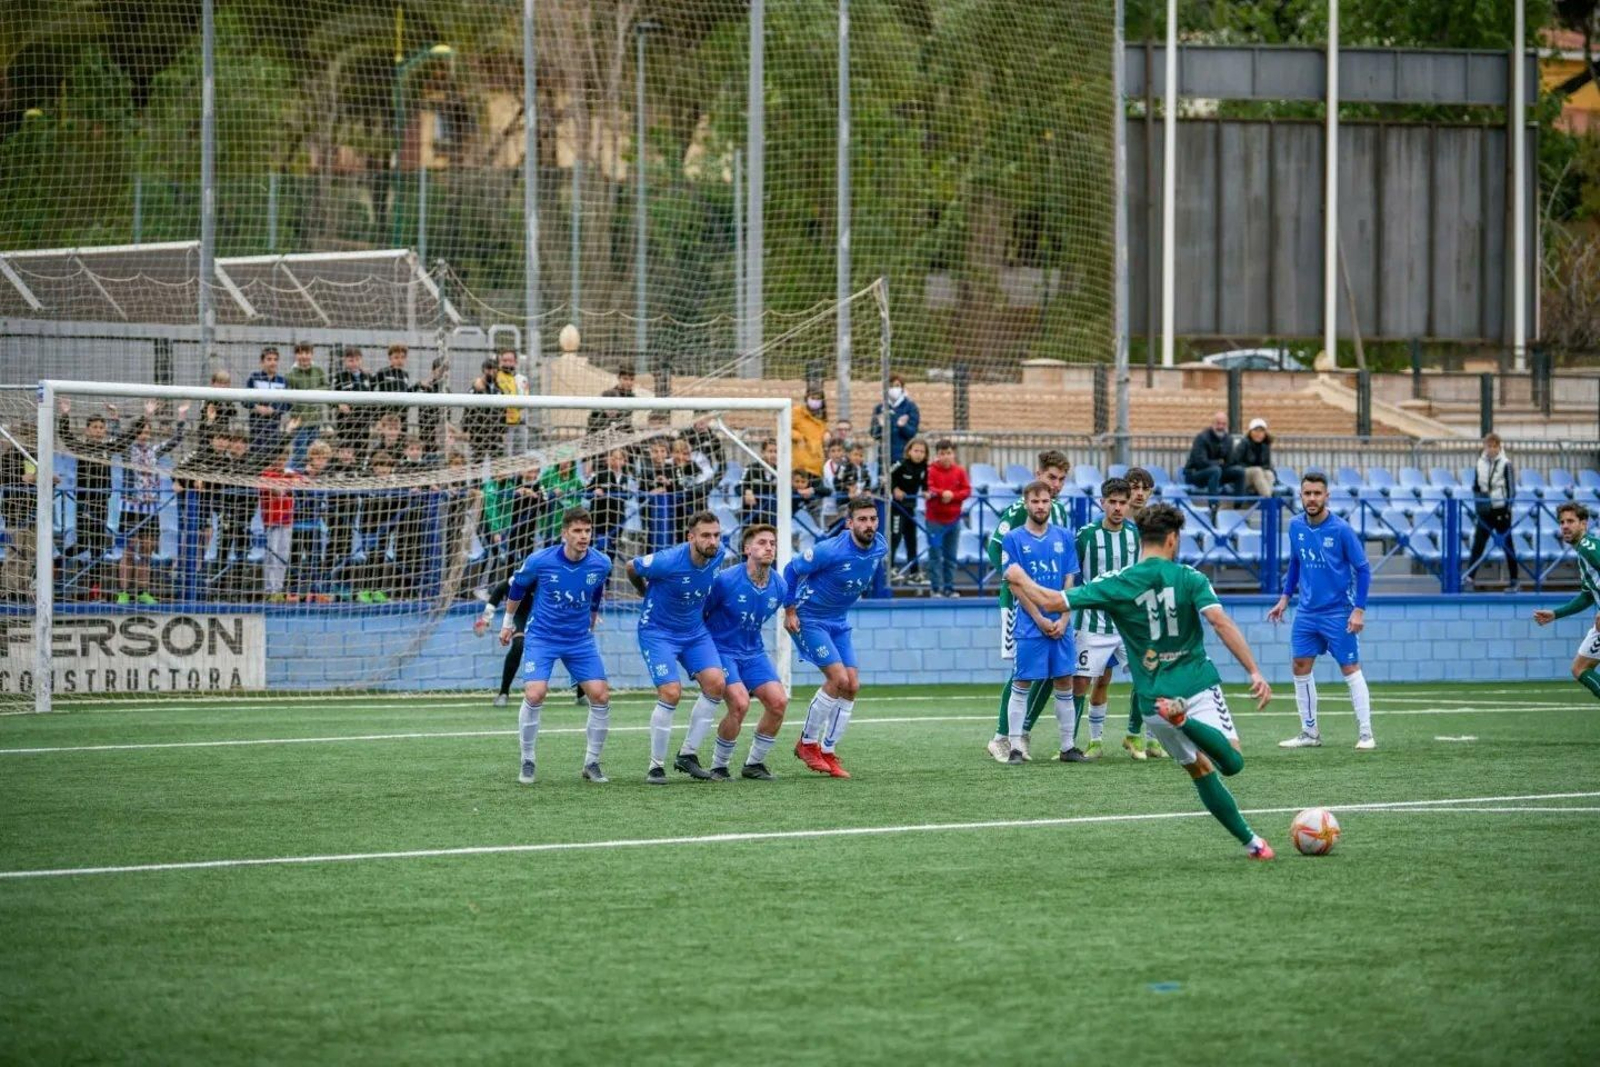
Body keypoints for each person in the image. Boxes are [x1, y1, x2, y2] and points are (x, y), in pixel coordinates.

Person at [1007, 503, 1277, 859]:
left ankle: (1253, 844)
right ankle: (1187, 721)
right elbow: (1220, 623)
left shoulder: (1118, 583)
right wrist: (1254, 671)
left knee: (1199, 769)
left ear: (1141, 540)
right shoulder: (1191, 578)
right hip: (1197, 687)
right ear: (1173, 539)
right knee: (1233, 762)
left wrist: (1020, 578)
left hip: (1155, 702)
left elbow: (1053, 601)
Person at [498, 507, 614, 784]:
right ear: (565, 534)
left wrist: (593, 615)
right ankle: (527, 760)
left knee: (600, 695)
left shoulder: (602, 563)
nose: (583, 536)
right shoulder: (541, 561)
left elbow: (597, 587)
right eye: (577, 531)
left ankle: (592, 763)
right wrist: (507, 622)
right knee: (536, 694)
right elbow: (517, 587)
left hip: (579, 639)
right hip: (542, 636)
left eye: (587, 531)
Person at [1267, 472, 1375, 751]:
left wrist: (1359, 610)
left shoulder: (1340, 530)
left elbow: (1363, 569)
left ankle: (1366, 734)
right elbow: (1295, 562)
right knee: (1300, 666)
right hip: (1306, 612)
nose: (1312, 498)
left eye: (1317, 493)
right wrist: (1284, 598)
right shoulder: (1295, 526)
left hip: (1339, 612)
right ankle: (1309, 732)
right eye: (1307, 493)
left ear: (1327, 496)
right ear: (1301, 496)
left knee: (1350, 668)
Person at [783, 495, 889, 779]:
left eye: (873, 519)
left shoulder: (880, 545)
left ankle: (828, 751)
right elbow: (791, 570)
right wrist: (789, 610)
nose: (869, 525)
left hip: (838, 622)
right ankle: (807, 744)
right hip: (810, 619)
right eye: (862, 520)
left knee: (852, 685)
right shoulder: (829, 550)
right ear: (849, 523)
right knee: (838, 680)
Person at [677, 523, 790, 781]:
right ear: (747, 549)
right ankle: (719, 766)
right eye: (762, 543)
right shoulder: (726, 580)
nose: (768, 548)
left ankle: (754, 764)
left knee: (778, 702)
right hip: (721, 650)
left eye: (772, 543)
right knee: (739, 703)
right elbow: (700, 613)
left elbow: (789, 603)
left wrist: (793, 614)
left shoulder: (779, 586)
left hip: (753, 652)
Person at [626, 510, 728, 784]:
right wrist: (642, 590)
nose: (713, 541)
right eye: (706, 535)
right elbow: (631, 566)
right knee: (671, 692)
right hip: (657, 632)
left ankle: (688, 755)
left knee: (717, 684)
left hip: (694, 632)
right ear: (690, 537)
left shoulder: (718, 555)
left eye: (716, 535)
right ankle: (656, 766)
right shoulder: (667, 560)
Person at [983, 449, 1072, 762]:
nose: (1057, 484)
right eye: (1051, 478)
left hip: (1052, 603)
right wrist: (1019, 581)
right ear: (1038, 475)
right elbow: (995, 548)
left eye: (1061, 479)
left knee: (1052, 671)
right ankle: (1001, 737)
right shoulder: (1020, 510)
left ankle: (1022, 733)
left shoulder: (1059, 512)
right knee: (1021, 671)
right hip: (1018, 604)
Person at [1072, 477, 1160, 760]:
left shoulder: (1135, 535)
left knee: (1149, 677)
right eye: (1113, 502)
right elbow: (1072, 575)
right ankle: (1079, 743)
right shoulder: (1085, 535)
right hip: (1093, 623)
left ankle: (1145, 738)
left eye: (1123, 502)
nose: (1118, 508)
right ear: (1103, 503)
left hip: (1129, 625)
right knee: (1084, 683)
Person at [997, 481, 1081, 765]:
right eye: (1035, 502)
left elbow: (1070, 580)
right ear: (1026, 504)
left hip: (1062, 624)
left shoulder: (1065, 537)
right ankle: (1016, 747)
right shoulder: (1014, 539)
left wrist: (1065, 618)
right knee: (1022, 682)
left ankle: (1068, 747)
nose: (1041, 506)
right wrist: (1041, 617)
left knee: (1065, 681)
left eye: (1045, 501)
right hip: (1030, 624)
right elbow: (1015, 585)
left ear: (1051, 503)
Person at [56, 399, 150, 591]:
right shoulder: (81, 447)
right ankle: (58, 561)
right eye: (95, 427)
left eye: (101, 427)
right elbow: (65, 435)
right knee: (82, 543)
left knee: (99, 546)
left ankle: (94, 587)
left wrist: (146, 416)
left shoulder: (108, 448)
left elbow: (128, 437)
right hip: (84, 500)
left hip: (101, 501)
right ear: (87, 430)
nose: (99, 430)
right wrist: (65, 414)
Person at [116, 401, 190, 604]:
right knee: (129, 550)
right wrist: (146, 415)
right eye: (141, 431)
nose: (144, 435)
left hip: (150, 508)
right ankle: (123, 592)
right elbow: (122, 438)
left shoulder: (154, 452)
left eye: (147, 432)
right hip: (130, 507)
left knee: (147, 551)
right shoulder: (127, 450)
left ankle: (143, 592)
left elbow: (176, 439)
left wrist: (182, 418)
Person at [1532, 503, 1600, 703]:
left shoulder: (1589, 547)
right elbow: (1588, 595)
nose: (1565, 526)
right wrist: (1556, 614)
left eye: (1571, 521)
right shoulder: (1583, 552)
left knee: (1580, 668)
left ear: (1583, 524)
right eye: (1562, 522)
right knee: (1579, 668)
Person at [1118, 467, 1164, 757]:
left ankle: (1145, 735)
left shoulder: (1156, 524)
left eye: (1144, 488)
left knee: (1150, 671)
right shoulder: (1116, 522)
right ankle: (1082, 739)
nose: (1138, 493)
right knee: (1097, 678)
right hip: (1117, 606)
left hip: (1147, 606)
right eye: (1133, 487)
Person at [1468, 432, 1520, 592]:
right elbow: (1476, 484)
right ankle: (1470, 577)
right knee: (1478, 543)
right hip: (1485, 509)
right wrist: (1479, 500)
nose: (1491, 449)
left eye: (1494, 446)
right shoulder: (1480, 463)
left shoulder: (1506, 463)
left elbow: (1511, 488)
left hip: (1500, 509)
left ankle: (1514, 580)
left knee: (1507, 544)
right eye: (1488, 446)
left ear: (1499, 447)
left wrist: (1508, 508)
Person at [923, 439, 970, 598]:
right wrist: (942, 493)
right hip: (934, 521)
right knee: (935, 555)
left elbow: (966, 491)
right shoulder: (930, 470)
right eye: (942, 454)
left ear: (954, 454)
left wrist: (953, 496)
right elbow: (928, 488)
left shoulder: (960, 471)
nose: (945, 457)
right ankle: (936, 589)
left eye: (948, 453)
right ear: (937, 455)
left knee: (951, 556)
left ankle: (949, 588)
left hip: (954, 521)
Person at [0, 426, 38, 600]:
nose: (31, 440)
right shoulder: (9, 458)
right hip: (14, 513)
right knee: (14, 554)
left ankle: (23, 588)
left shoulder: (35, 457)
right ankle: (8, 590)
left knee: (29, 554)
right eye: (28, 435)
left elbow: (37, 480)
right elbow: (7, 479)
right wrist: (21, 478)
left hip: (33, 513)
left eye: (34, 436)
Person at [888, 437, 928, 582]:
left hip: (911, 508)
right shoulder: (901, 464)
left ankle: (914, 573)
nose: (919, 454)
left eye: (922, 452)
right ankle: (890, 569)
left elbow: (925, 485)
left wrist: (925, 491)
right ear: (909, 451)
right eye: (916, 450)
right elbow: (887, 477)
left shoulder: (924, 468)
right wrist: (895, 489)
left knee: (912, 541)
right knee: (895, 537)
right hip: (897, 508)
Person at [1183, 411, 1245, 498]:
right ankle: (1213, 506)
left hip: (1218, 472)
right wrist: (1219, 462)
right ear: (1212, 424)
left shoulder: (1228, 439)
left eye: (1223, 424)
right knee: (1215, 470)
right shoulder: (1202, 438)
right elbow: (1201, 462)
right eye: (1218, 423)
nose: (1221, 427)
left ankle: (1238, 505)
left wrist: (1223, 463)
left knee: (1239, 471)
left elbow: (1230, 461)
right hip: (1195, 474)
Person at [283, 342, 328, 465]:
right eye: (300, 353)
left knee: (314, 452)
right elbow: (288, 396)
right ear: (296, 355)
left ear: (312, 354)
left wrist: (313, 393)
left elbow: (326, 387)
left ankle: (309, 478)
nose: (304, 356)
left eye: (307, 353)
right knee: (300, 452)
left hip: (315, 419)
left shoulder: (318, 371)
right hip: (299, 421)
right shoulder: (291, 374)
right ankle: (297, 475)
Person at [586, 448, 634, 557]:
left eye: (619, 458)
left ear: (624, 461)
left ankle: (609, 571)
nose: (616, 461)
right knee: (595, 547)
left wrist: (626, 492)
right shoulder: (599, 475)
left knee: (612, 548)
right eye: (613, 458)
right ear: (607, 460)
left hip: (617, 518)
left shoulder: (626, 478)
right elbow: (586, 493)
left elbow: (630, 495)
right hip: (598, 517)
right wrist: (594, 491)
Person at [245, 347, 289, 455]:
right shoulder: (254, 378)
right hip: (256, 426)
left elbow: (288, 404)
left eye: (275, 359)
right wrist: (256, 407)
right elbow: (244, 400)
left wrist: (274, 409)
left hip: (274, 427)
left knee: (272, 454)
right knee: (256, 453)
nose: (272, 362)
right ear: (261, 362)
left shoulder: (282, 381)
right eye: (269, 359)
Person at [870, 373, 921, 465]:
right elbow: (874, 434)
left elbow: (912, 432)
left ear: (902, 387)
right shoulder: (879, 408)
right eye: (890, 386)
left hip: (904, 456)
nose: (894, 389)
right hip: (884, 457)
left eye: (897, 385)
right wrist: (881, 426)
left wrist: (903, 426)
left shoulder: (910, 407)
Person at [331, 347, 375, 451]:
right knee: (346, 449)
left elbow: (374, 397)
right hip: (346, 421)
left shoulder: (368, 377)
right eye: (351, 360)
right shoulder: (340, 377)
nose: (354, 363)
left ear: (361, 360)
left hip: (364, 421)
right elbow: (331, 397)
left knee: (362, 449)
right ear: (345, 361)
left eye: (357, 360)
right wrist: (339, 404)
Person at [494, 348, 531, 455]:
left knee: (520, 455)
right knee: (505, 456)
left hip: (520, 422)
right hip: (503, 424)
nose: (507, 363)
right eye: (504, 360)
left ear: (515, 362)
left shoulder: (522, 379)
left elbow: (524, 400)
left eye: (510, 360)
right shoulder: (496, 377)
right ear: (500, 362)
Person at [585, 368, 637, 439]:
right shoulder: (609, 395)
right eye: (625, 379)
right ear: (619, 378)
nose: (628, 382)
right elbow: (591, 427)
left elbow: (627, 424)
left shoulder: (632, 397)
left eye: (631, 379)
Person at [791, 388, 828, 485]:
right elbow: (783, 428)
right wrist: (799, 437)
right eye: (813, 398)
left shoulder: (822, 418)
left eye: (818, 399)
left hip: (817, 467)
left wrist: (827, 434)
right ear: (806, 398)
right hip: (800, 467)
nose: (815, 401)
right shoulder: (797, 412)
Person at [739, 439, 779, 527]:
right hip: (752, 515)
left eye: (776, 452)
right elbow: (739, 486)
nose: (773, 455)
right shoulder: (751, 468)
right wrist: (747, 491)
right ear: (762, 452)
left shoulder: (781, 472)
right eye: (770, 451)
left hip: (772, 516)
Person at [372, 343, 415, 426]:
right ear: (390, 358)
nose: (400, 360)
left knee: (401, 437)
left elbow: (405, 392)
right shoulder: (383, 372)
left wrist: (418, 385)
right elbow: (370, 387)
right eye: (396, 357)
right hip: (386, 414)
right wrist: (376, 414)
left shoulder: (405, 374)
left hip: (402, 415)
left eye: (403, 357)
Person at [1232, 418, 1275, 497]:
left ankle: (1265, 501)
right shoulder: (1244, 444)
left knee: (1269, 474)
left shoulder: (1265, 446)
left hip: (1259, 476)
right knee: (1257, 470)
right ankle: (1268, 499)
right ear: (1250, 432)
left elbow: (1267, 465)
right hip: (1243, 475)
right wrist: (1255, 468)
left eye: (1261, 431)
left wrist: (1266, 469)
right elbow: (1235, 462)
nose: (1258, 434)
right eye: (1256, 430)